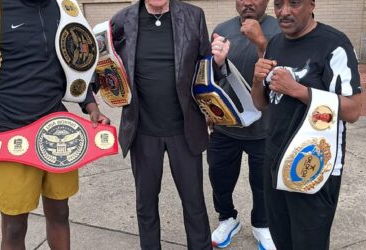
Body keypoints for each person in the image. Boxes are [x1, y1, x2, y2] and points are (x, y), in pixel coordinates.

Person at [0, 0, 110, 249]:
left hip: (58, 129)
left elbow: (75, 62)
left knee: (60, 213)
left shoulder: (64, 8)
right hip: (10, 135)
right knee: (14, 226)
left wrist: (90, 106)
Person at [109, 0, 230, 249]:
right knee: (145, 205)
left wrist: (217, 63)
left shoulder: (193, 16)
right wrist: (92, 103)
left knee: (194, 203)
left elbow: (203, 69)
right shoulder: (121, 20)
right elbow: (104, 65)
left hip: (184, 129)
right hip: (142, 130)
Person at [251, 0, 362, 249]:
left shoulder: (334, 44)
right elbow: (261, 104)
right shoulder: (276, 43)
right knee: (281, 238)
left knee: (309, 242)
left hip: (315, 162)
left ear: (312, 4)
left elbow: (353, 110)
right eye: (278, 4)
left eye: (294, 3)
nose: (284, 11)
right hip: (276, 158)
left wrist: (299, 90)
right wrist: (258, 80)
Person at [208, 0, 279, 249]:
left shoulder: (280, 28)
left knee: (263, 184)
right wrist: (214, 64)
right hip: (225, 125)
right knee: (219, 177)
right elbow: (210, 75)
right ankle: (227, 218)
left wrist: (262, 43)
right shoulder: (222, 28)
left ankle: (262, 224)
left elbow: (287, 72)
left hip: (265, 128)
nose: (248, 2)